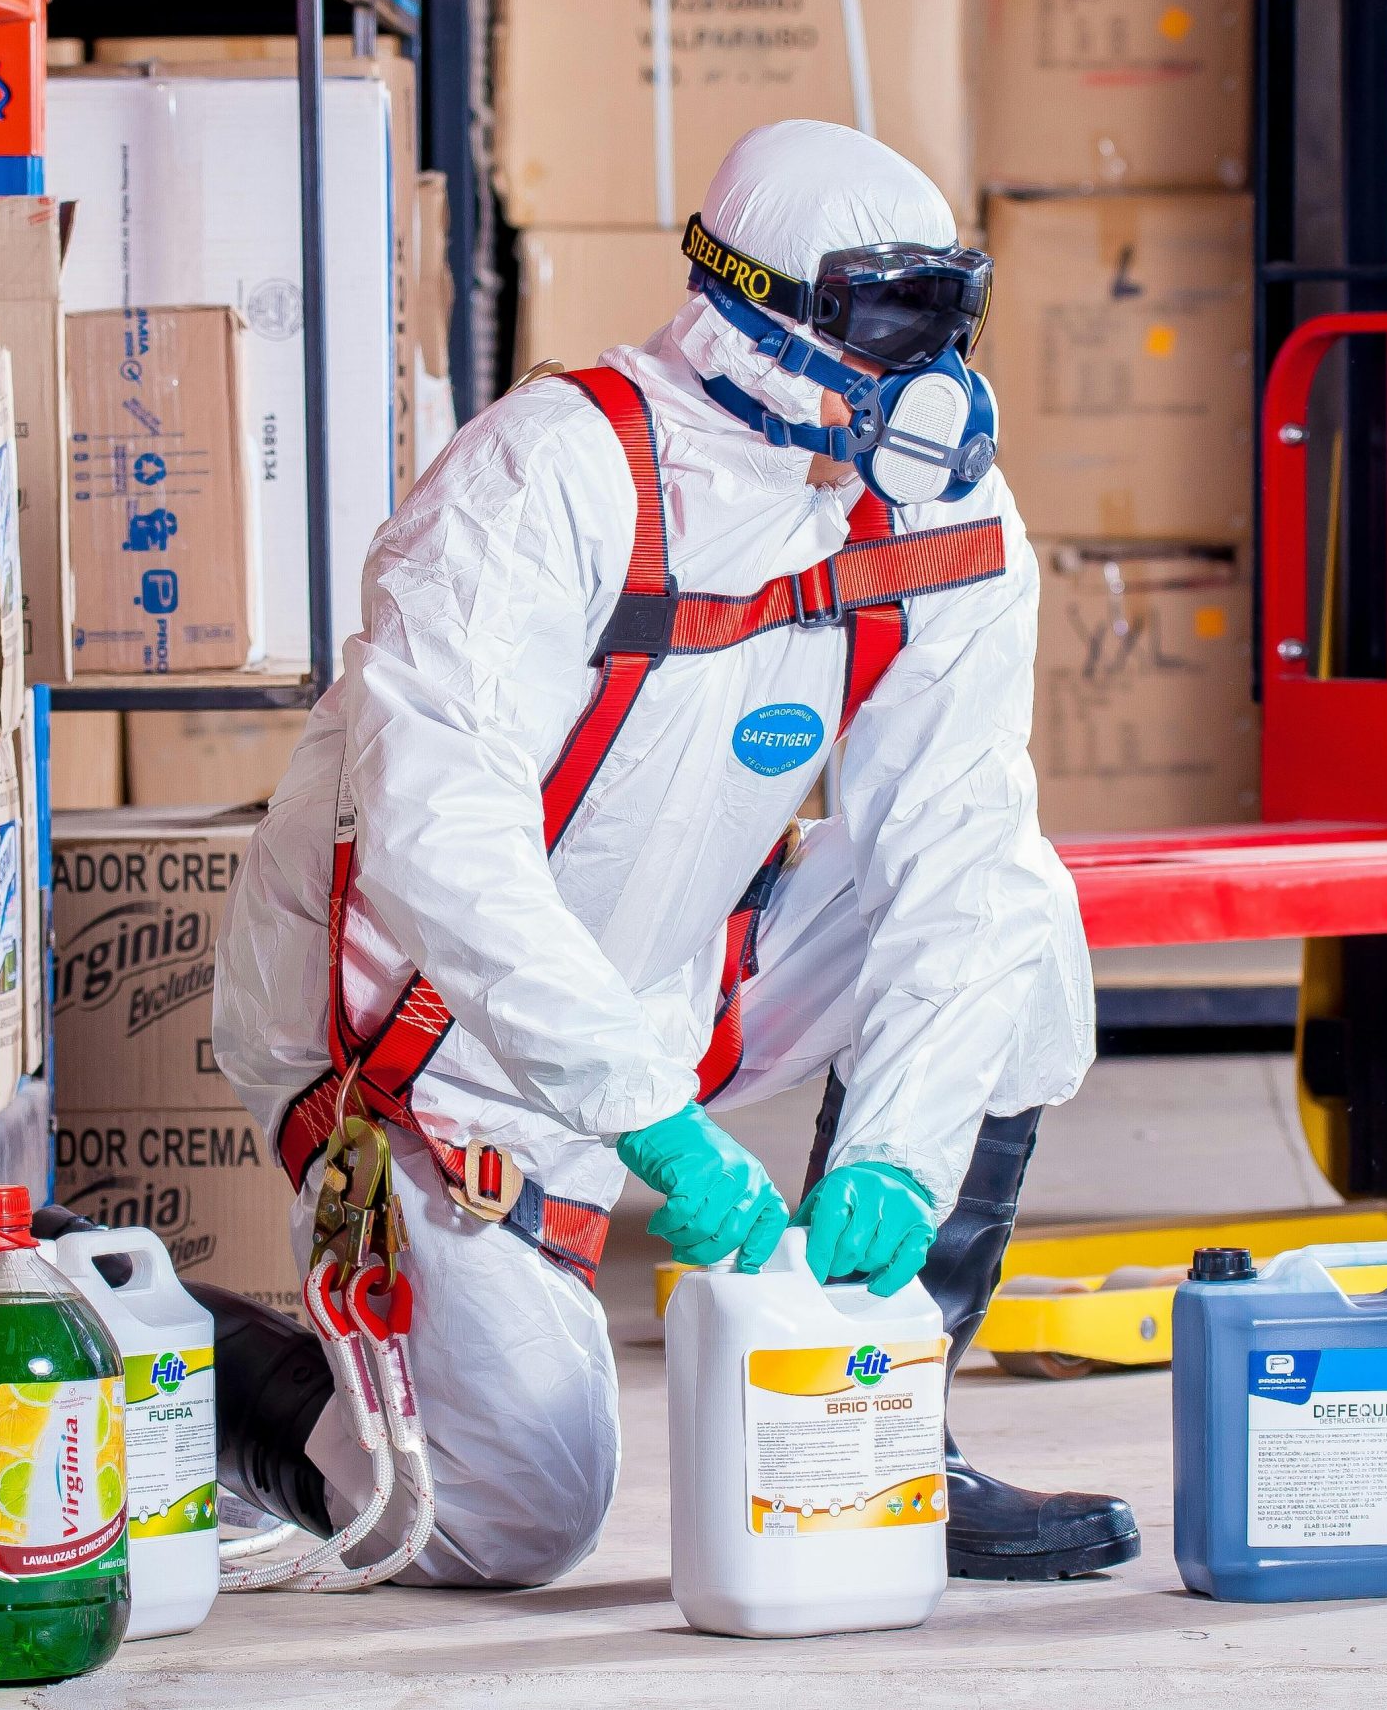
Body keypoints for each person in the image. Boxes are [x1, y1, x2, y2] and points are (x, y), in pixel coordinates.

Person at [206, 119, 1127, 1589]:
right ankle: (194, 1370)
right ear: (755, 310)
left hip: (674, 962)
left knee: (1023, 909)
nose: (932, 379)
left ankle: (899, 1433)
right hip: (415, 1037)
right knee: (523, 1512)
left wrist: (901, 1144)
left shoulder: (940, 505)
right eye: (892, 325)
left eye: (949, 322)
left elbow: (955, 838)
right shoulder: (545, 482)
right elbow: (443, 842)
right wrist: (647, 1118)